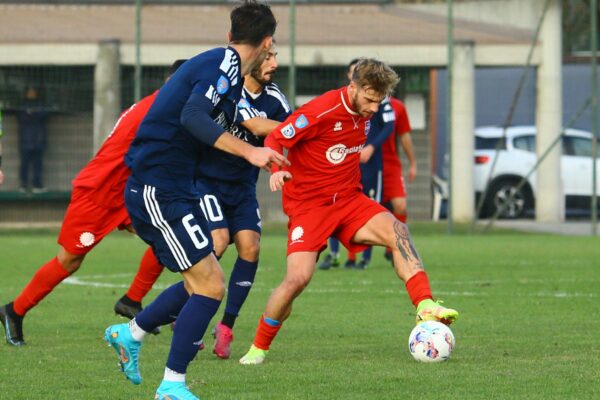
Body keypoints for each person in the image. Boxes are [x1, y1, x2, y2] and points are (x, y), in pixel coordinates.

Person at [103, 2, 285, 399]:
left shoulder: (228, 73)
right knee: (210, 284)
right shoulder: (222, 64)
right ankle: (171, 385)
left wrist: (269, 151)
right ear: (268, 41)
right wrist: (251, 152)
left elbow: (236, 121)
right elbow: (192, 117)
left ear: (230, 33)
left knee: (201, 282)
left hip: (176, 187)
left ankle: (131, 333)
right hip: (157, 187)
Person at [239, 58, 459, 366]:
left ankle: (424, 304)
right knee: (297, 280)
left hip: (348, 199)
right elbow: (277, 137)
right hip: (310, 206)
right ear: (355, 87)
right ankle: (259, 347)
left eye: (378, 102)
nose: (373, 108)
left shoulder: (368, 109)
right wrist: (277, 169)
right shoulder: (321, 109)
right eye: (369, 100)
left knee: (399, 231)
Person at [0, 59, 187, 347]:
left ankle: (132, 300)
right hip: (99, 193)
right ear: (178, 85)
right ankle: (14, 311)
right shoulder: (157, 112)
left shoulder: (159, 106)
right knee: (70, 260)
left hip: (125, 192)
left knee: (169, 238)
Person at [381, 96, 416, 261]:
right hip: (363, 163)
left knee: (400, 206)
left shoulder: (398, 107)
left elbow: (404, 136)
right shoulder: (358, 103)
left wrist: (413, 163)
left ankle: (395, 247)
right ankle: (353, 258)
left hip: (389, 165)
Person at [15, 86, 51, 193]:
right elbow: (22, 117)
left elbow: (45, 114)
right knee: (24, 163)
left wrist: (32, 113)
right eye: (30, 92)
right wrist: (33, 114)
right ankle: (23, 185)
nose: (31, 94)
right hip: (25, 140)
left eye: (33, 92)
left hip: (38, 139)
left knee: (38, 164)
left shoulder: (40, 104)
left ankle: (37, 185)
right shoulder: (22, 105)